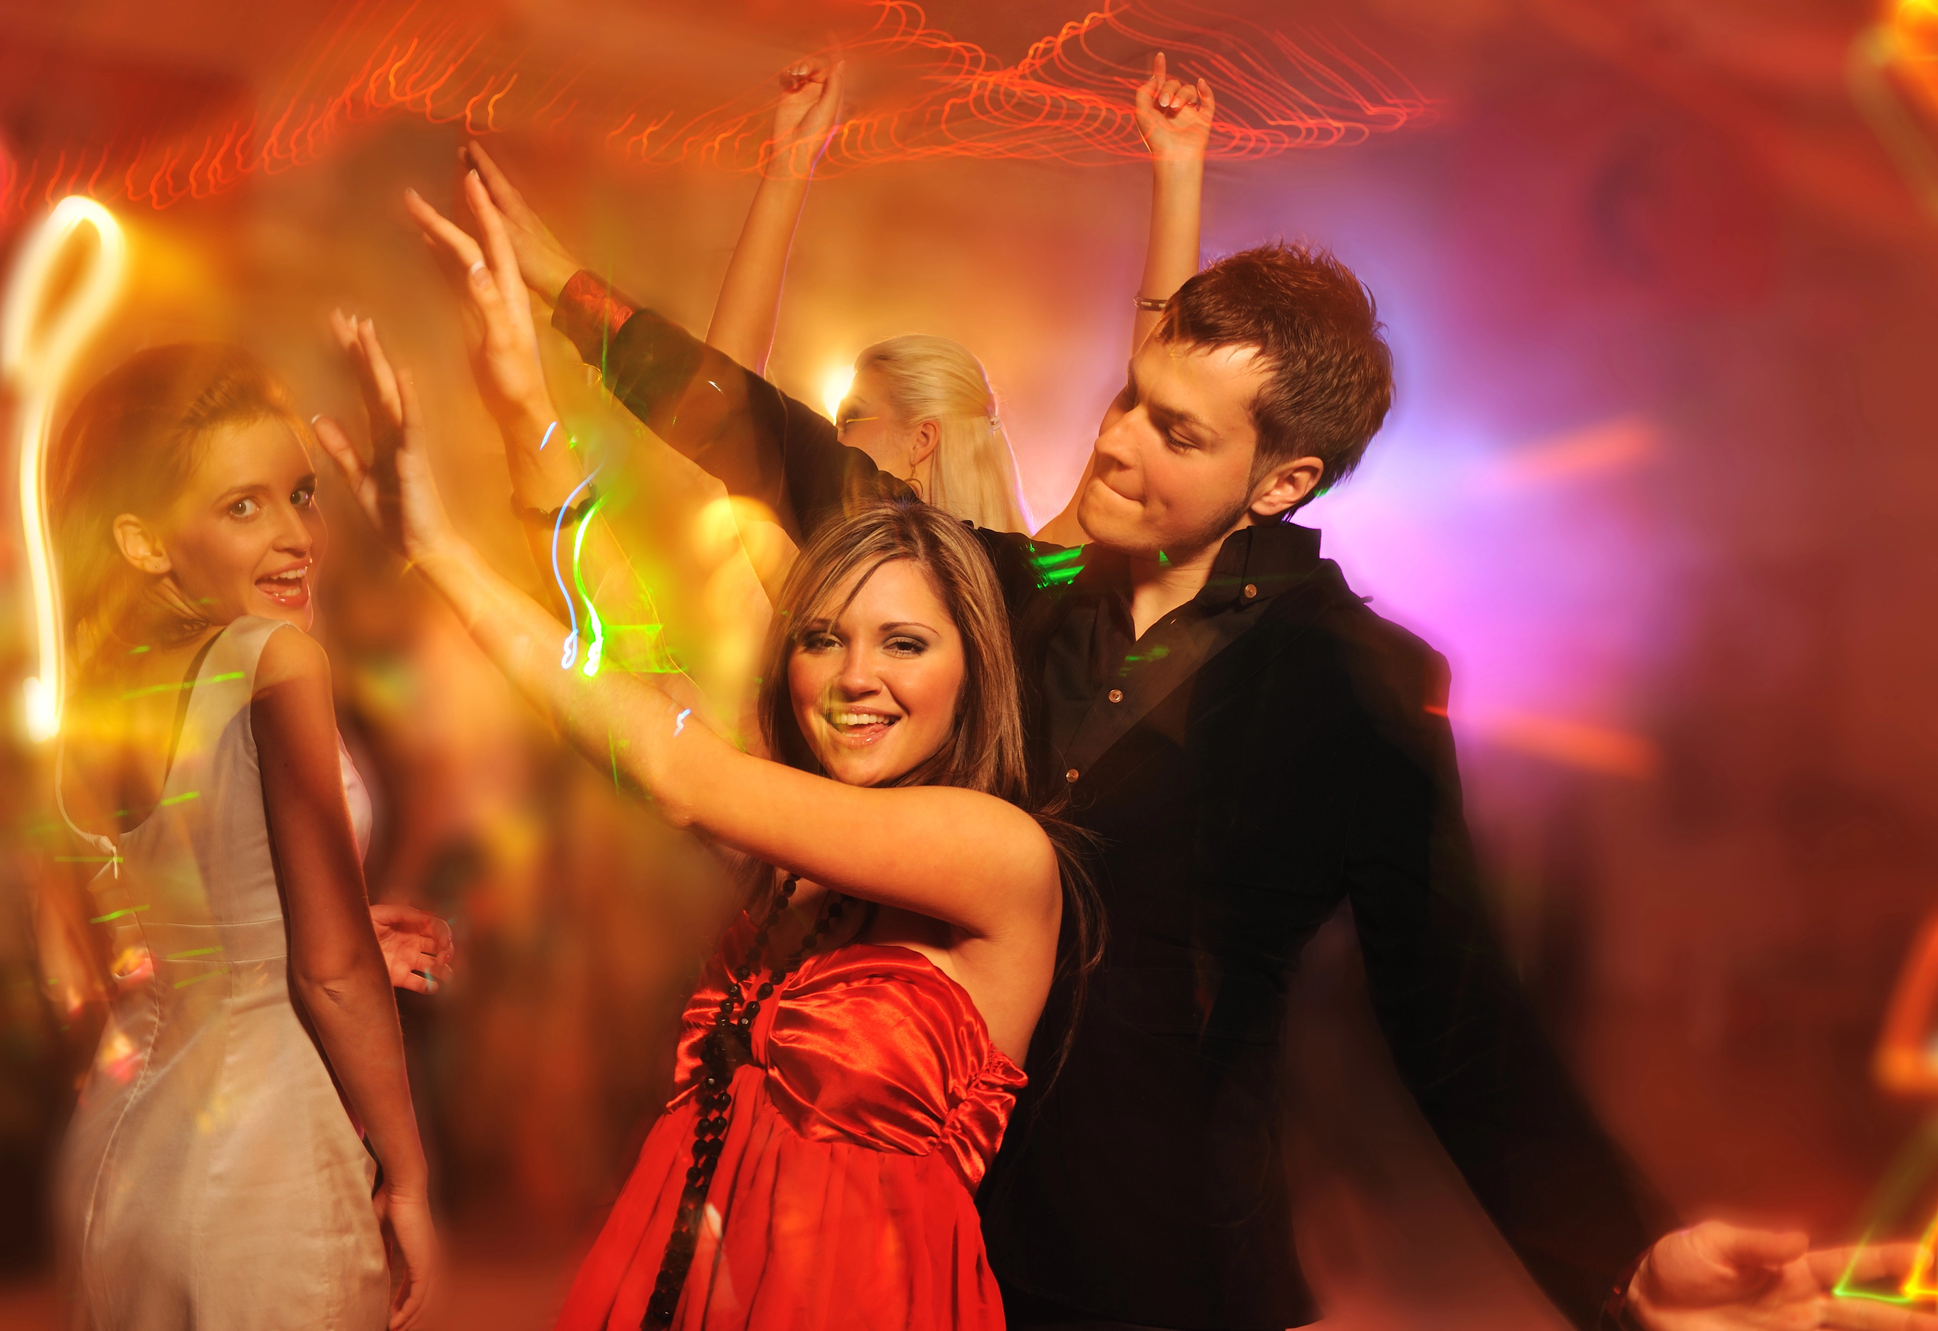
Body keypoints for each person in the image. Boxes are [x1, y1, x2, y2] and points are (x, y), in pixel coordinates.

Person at [466, 143, 1938, 1331]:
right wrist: (574, 301)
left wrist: (1623, 1261)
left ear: (1281, 478)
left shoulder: (1352, 687)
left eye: (1178, 434)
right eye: (1130, 401)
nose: (1114, 444)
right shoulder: (1033, 590)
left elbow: (1457, 1014)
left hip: (1156, 1266)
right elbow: (801, 458)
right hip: (935, 1213)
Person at [317, 182, 1102, 1330]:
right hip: (684, 1279)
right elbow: (619, 646)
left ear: (972, 667)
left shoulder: (996, 853)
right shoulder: (789, 818)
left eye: (903, 643)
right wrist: (517, 412)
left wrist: (443, 547)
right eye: (822, 638)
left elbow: (673, 763)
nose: (852, 677)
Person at [47, 345, 436, 1329]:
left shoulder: (87, 703)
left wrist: (300, 938)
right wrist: (408, 1174)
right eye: (242, 505)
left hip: (121, 1157)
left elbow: (101, 968)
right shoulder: (274, 660)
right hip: (269, 1155)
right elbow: (330, 971)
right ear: (141, 541)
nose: (298, 534)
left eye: (300, 493)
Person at [460, 51, 1213, 540]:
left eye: (852, 416)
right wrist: (788, 161)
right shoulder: (831, 549)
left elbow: (1148, 402)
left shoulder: (1018, 578)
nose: (828, 430)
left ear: (922, 441)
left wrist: (1179, 170)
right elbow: (725, 390)